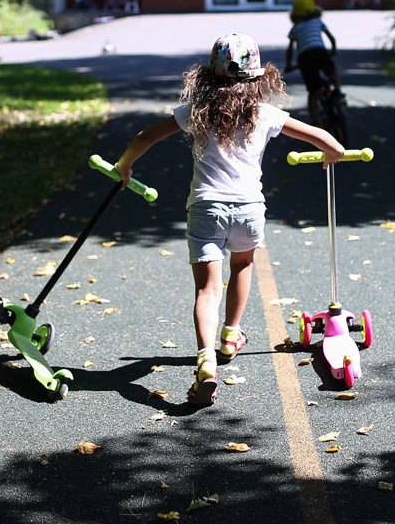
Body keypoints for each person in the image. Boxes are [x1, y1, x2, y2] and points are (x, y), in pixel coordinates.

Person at [115, 33, 345, 406]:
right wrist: (332, 153)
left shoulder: (196, 112)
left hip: (206, 208)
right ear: (258, 78)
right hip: (248, 209)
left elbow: (145, 137)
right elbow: (325, 140)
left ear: (209, 76)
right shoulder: (266, 113)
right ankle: (230, 335)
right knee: (243, 265)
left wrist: (125, 166)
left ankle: (206, 359)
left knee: (207, 290)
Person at [285, 0, 343, 125]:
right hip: (320, 52)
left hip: (305, 58)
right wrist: (333, 51)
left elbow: (289, 49)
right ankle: (338, 91)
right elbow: (332, 38)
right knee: (332, 70)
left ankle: (315, 120)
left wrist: (289, 65)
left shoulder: (295, 28)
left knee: (313, 91)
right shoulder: (317, 21)